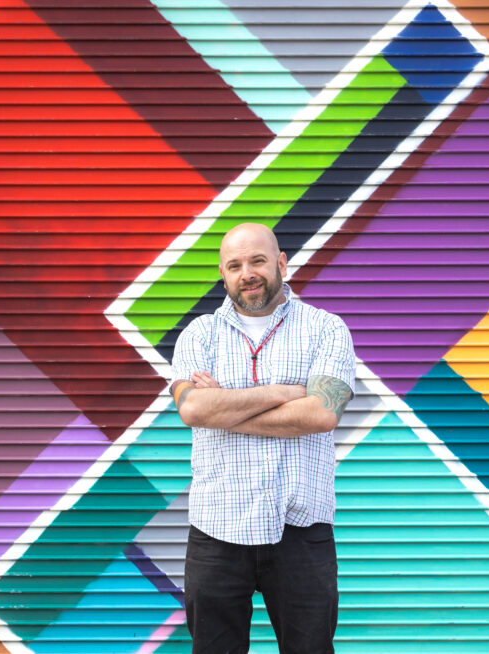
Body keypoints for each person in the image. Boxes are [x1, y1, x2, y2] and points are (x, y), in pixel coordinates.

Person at [170, 222, 355, 653]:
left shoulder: (326, 329)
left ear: (281, 263)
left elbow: (323, 413)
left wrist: (224, 409)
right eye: (234, 265)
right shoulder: (199, 335)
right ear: (223, 274)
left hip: (301, 529)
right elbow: (193, 409)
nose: (247, 272)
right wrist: (283, 394)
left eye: (257, 260)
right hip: (217, 531)